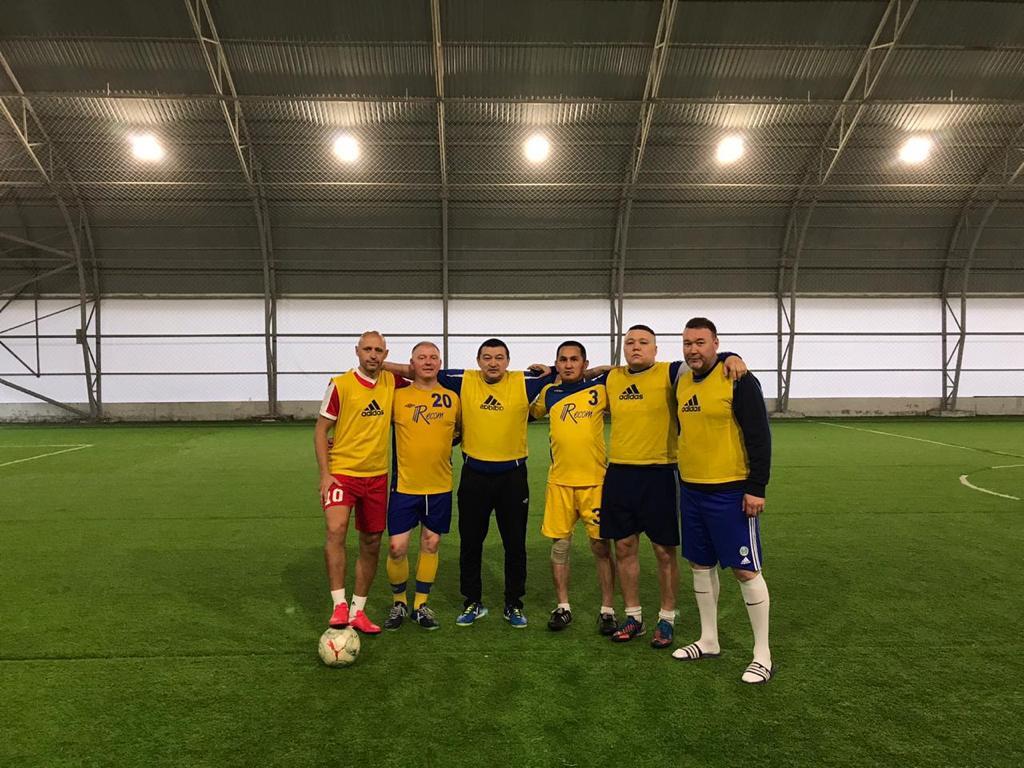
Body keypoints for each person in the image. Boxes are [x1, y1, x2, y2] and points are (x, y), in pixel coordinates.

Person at [387, 338, 553, 628]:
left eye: (499, 358)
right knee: (471, 543)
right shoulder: (464, 380)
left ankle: (513, 604)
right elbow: (418, 369)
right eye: (487, 357)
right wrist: (378, 364)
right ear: (478, 361)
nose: (493, 363)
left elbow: (569, 369)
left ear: (508, 361)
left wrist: (551, 368)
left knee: (515, 544)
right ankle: (472, 602)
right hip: (474, 475)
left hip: (513, 476)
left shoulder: (524, 382)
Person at [599, 325, 746, 649]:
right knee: (624, 547)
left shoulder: (672, 372)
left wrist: (730, 356)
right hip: (620, 473)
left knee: (664, 550)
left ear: (656, 349)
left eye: (643, 342)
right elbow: (574, 376)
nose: (636, 347)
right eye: (629, 342)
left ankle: (666, 618)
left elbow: (703, 362)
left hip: (659, 473)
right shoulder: (611, 377)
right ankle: (634, 617)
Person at [671, 318, 774, 684]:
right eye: (687, 343)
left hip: (731, 492)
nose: (693, 349)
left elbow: (759, 435)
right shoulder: (681, 379)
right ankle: (708, 639)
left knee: (745, 570)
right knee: (700, 565)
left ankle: (762, 654)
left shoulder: (738, 379)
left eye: (700, 342)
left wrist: (756, 487)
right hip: (691, 490)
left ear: (715, 343)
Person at [314, 330, 408, 635]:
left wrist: (386, 366)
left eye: (378, 350)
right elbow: (320, 430)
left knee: (371, 542)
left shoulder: (391, 382)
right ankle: (339, 605)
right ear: (357, 351)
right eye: (367, 349)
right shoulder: (340, 384)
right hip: (342, 473)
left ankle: (358, 611)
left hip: (377, 476)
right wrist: (325, 474)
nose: (372, 355)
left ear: (386, 354)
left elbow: (420, 372)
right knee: (336, 529)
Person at [529, 341, 616, 634]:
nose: (568, 364)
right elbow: (528, 413)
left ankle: (607, 610)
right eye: (563, 360)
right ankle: (563, 606)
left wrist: (594, 372)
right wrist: (547, 373)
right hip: (560, 483)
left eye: (574, 360)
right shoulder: (549, 393)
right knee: (560, 547)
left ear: (584, 363)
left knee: (601, 547)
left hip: (595, 483)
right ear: (557, 363)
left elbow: (625, 373)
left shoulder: (600, 389)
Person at [382, 341, 460, 632]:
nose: (428, 362)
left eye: (433, 357)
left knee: (431, 543)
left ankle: (420, 605)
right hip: (405, 486)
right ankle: (399, 602)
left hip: (439, 486)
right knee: (396, 547)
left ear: (440, 363)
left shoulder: (453, 398)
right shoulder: (397, 396)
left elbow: (460, 431)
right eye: (422, 357)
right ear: (412, 363)